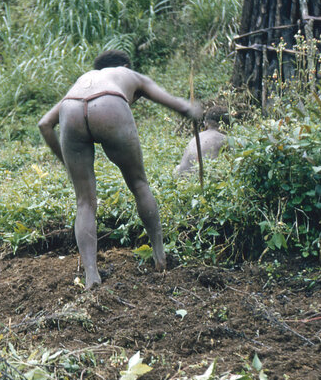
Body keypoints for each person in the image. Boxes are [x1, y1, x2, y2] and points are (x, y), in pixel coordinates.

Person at [37, 49, 202, 289]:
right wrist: (193, 110)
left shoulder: (86, 79)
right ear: (124, 65)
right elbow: (179, 105)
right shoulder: (127, 73)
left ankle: (91, 277)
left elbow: (44, 124)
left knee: (84, 202)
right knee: (139, 184)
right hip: (109, 104)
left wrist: (67, 162)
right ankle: (160, 258)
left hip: (71, 109)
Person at [174, 106, 231, 177]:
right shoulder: (223, 138)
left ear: (205, 124)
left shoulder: (196, 137)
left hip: (182, 178)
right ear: (226, 125)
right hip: (199, 178)